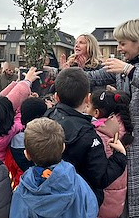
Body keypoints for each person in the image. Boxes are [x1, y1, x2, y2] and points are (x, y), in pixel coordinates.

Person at [86, 19, 139, 218]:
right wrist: (70, 73)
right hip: (125, 147)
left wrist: (130, 71)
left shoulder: (129, 69)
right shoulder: (122, 69)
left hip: (135, 148)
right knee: (127, 209)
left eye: (123, 43)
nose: (118, 48)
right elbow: (97, 76)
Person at [45, 67, 127, 206]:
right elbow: (101, 178)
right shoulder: (89, 135)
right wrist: (120, 155)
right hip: (81, 205)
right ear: (88, 98)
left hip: (50, 197)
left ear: (56, 97)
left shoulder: (46, 119)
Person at [86, 89, 132, 218]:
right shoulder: (119, 127)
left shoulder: (103, 135)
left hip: (105, 202)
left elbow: (100, 171)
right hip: (114, 200)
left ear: (97, 113)